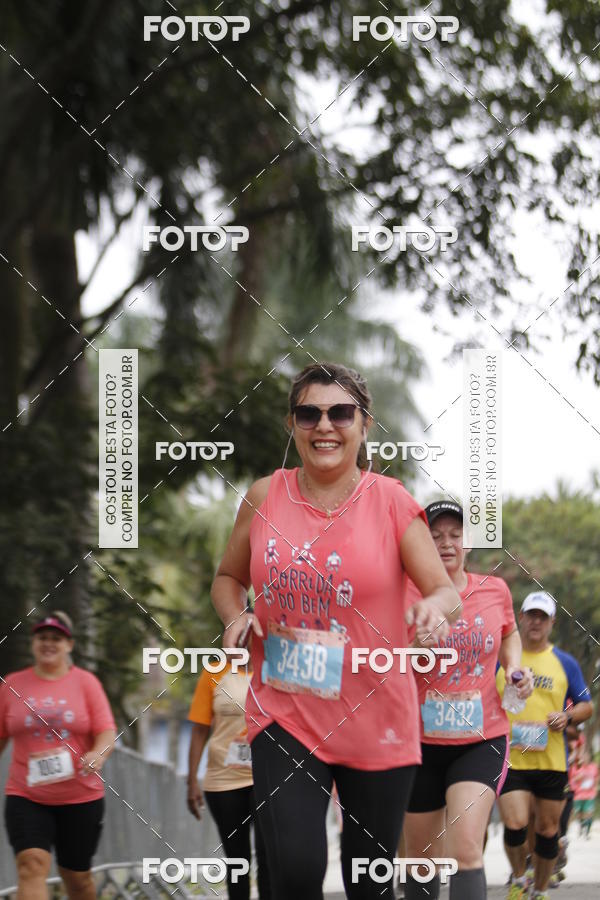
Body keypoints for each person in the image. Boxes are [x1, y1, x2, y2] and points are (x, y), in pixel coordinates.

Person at [211, 362, 462, 900]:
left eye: (340, 412)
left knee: (367, 883)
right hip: (286, 711)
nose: (324, 425)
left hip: (377, 716)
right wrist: (237, 615)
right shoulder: (263, 497)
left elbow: (445, 591)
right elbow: (228, 578)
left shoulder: (392, 502)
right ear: (292, 424)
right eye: (309, 413)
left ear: (364, 425)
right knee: (296, 870)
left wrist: (434, 612)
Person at [403, 500, 533, 900]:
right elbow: (375, 657)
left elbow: (509, 632)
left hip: (480, 739)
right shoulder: (404, 591)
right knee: (421, 860)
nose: (446, 543)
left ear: (468, 543)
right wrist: (411, 644)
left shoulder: (494, 590)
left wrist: (516, 669)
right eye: (435, 535)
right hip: (418, 742)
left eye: (455, 535)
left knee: (464, 851)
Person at [0, 611, 116, 900]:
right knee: (31, 866)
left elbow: (106, 730)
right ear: (33, 643)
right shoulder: (12, 684)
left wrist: (97, 754)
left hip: (80, 796)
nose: (48, 643)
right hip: (26, 795)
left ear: (69, 645)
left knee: (77, 879)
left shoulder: (86, 683)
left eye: (56, 638)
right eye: (42, 638)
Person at [497, 591, 593, 900]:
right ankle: (518, 876)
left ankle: (538, 890)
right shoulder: (501, 659)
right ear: (520, 618)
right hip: (511, 758)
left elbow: (586, 706)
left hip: (551, 759)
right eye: (531, 615)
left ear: (552, 622)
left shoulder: (564, 662)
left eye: (543, 617)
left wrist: (566, 717)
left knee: (548, 833)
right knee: (514, 824)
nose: (536, 622)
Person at [186, 658, 271, 898]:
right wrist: (192, 780)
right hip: (224, 779)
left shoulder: (275, 666)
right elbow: (200, 728)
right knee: (237, 860)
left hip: (265, 776)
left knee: (268, 855)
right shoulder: (214, 672)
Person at [571, 746, 598, 839]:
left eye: (587, 756)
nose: (585, 758)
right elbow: (572, 779)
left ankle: (587, 832)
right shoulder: (576, 768)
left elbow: (597, 777)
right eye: (583, 756)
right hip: (579, 794)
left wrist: (595, 785)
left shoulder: (593, 767)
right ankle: (582, 826)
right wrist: (578, 778)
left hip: (590, 794)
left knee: (588, 813)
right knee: (579, 814)